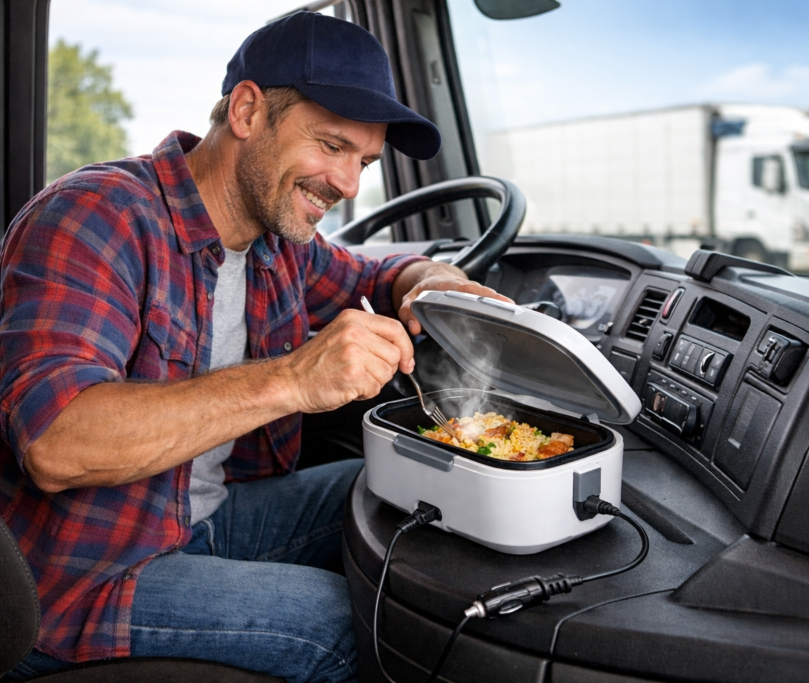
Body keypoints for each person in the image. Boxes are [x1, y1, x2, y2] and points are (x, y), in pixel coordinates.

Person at [0, 11, 504, 683]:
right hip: (78, 577)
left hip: (200, 516)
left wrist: (433, 279)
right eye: (330, 145)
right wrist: (293, 379)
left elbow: (375, 276)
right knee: (344, 622)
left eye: (364, 161)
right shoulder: (95, 215)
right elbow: (56, 441)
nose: (350, 184)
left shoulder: (276, 244)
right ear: (246, 111)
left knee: (398, 484)